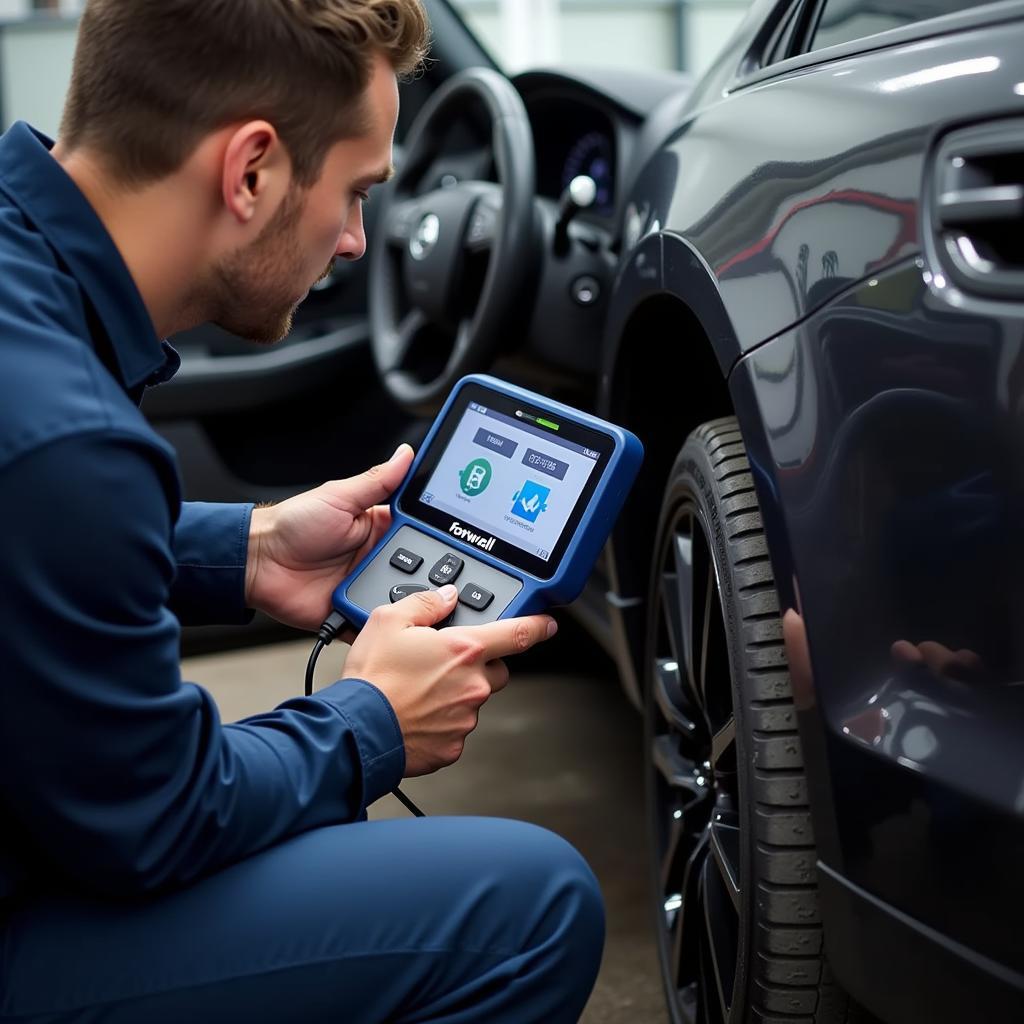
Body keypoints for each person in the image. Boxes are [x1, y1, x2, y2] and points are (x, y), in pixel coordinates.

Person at [0, 2, 605, 1021]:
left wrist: (248, 546)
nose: (363, 243)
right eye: (359, 192)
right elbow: (154, 822)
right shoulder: (68, 439)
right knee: (531, 903)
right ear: (251, 172)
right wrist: (371, 720)